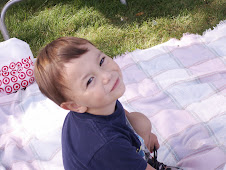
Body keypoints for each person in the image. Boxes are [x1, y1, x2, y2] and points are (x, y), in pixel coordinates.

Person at [34, 37, 165, 170]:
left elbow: (122, 118)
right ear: (74, 105)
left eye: (101, 61)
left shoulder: (101, 104)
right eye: (90, 80)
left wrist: (144, 140)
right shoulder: (107, 145)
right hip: (110, 157)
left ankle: (142, 159)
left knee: (140, 122)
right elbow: (110, 145)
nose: (106, 76)